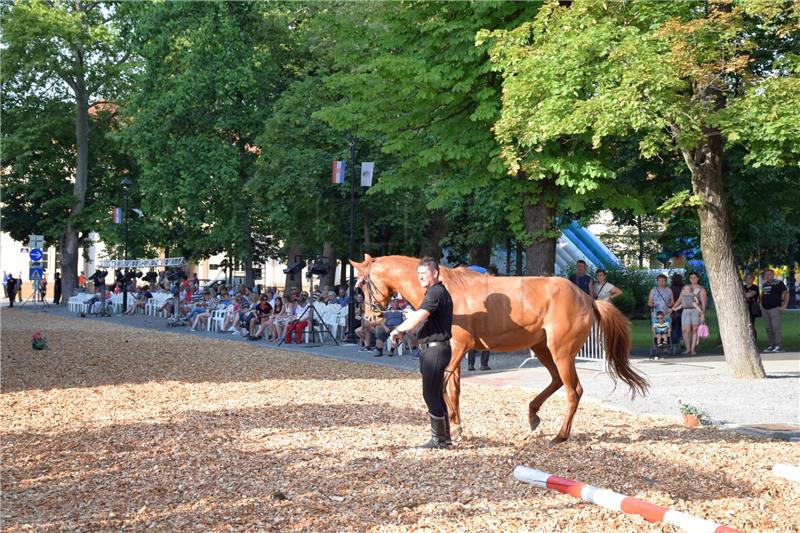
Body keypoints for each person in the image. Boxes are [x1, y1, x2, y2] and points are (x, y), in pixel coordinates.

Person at [388, 257, 454, 449]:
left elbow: (421, 316)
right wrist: (414, 317)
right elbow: (425, 316)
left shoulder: (435, 293)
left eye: (424, 274)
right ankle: (445, 438)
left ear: (435, 273)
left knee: (430, 394)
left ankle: (438, 440)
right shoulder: (437, 293)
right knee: (436, 393)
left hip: (435, 350)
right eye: (418, 274)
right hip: (435, 349)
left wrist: (397, 330)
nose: (420, 278)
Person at [671, 271, 707, 355]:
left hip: (695, 310)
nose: (693, 279)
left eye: (694, 277)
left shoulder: (701, 289)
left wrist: (702, 315)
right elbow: (680, 300)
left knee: (695, 329)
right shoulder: (686, 288)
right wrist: (673, 308)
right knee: (685, 330)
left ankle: (693, 349)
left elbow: (703, 303)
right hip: (686, 310)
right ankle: (687, 348)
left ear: (698, 278)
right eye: (691, 277)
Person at [760, 269, 789, 353]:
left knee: (775, 328)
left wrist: (784, 305)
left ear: (773, 275)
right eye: (766, 274)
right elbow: (763, 295)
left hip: (774, 309)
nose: (768, 276)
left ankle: (778, 346)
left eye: (769, 274)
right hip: (765, 309)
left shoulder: (778, 283)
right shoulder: (765, 284)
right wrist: (761, 305)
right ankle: (771, 345)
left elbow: (786, 293)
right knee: (768, 328)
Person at [743, 273, 760, 341]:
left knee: (751, 324)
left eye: (750, 278)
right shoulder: (743, 287)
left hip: (751, 308)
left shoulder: (755, 287)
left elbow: (749, 295)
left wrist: (744, 295)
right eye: (747, 278)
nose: (748, 279)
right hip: (743, 308)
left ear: (753, 279)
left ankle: (753, 339)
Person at [669, 273, 684, 347]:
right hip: (683, 309)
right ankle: (682, 340)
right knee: (682, 327)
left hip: (674, 310)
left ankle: (674, 342)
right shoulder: (684, 288)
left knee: (674, 327)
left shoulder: (671, 288)